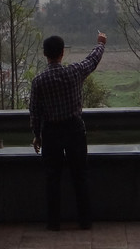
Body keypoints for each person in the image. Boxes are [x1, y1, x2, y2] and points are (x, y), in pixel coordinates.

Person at [28, 31, 106, 231]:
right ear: (62, 53)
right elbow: (92, 60)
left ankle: (53, 223)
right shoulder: (73, 72)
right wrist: (100, 43)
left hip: (51, 132)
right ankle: (85, 221)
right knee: (80, 176)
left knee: (52, 178)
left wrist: (38, 135)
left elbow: (35, 112)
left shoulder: (39, 81)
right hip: (74, 129)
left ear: (45, 54)